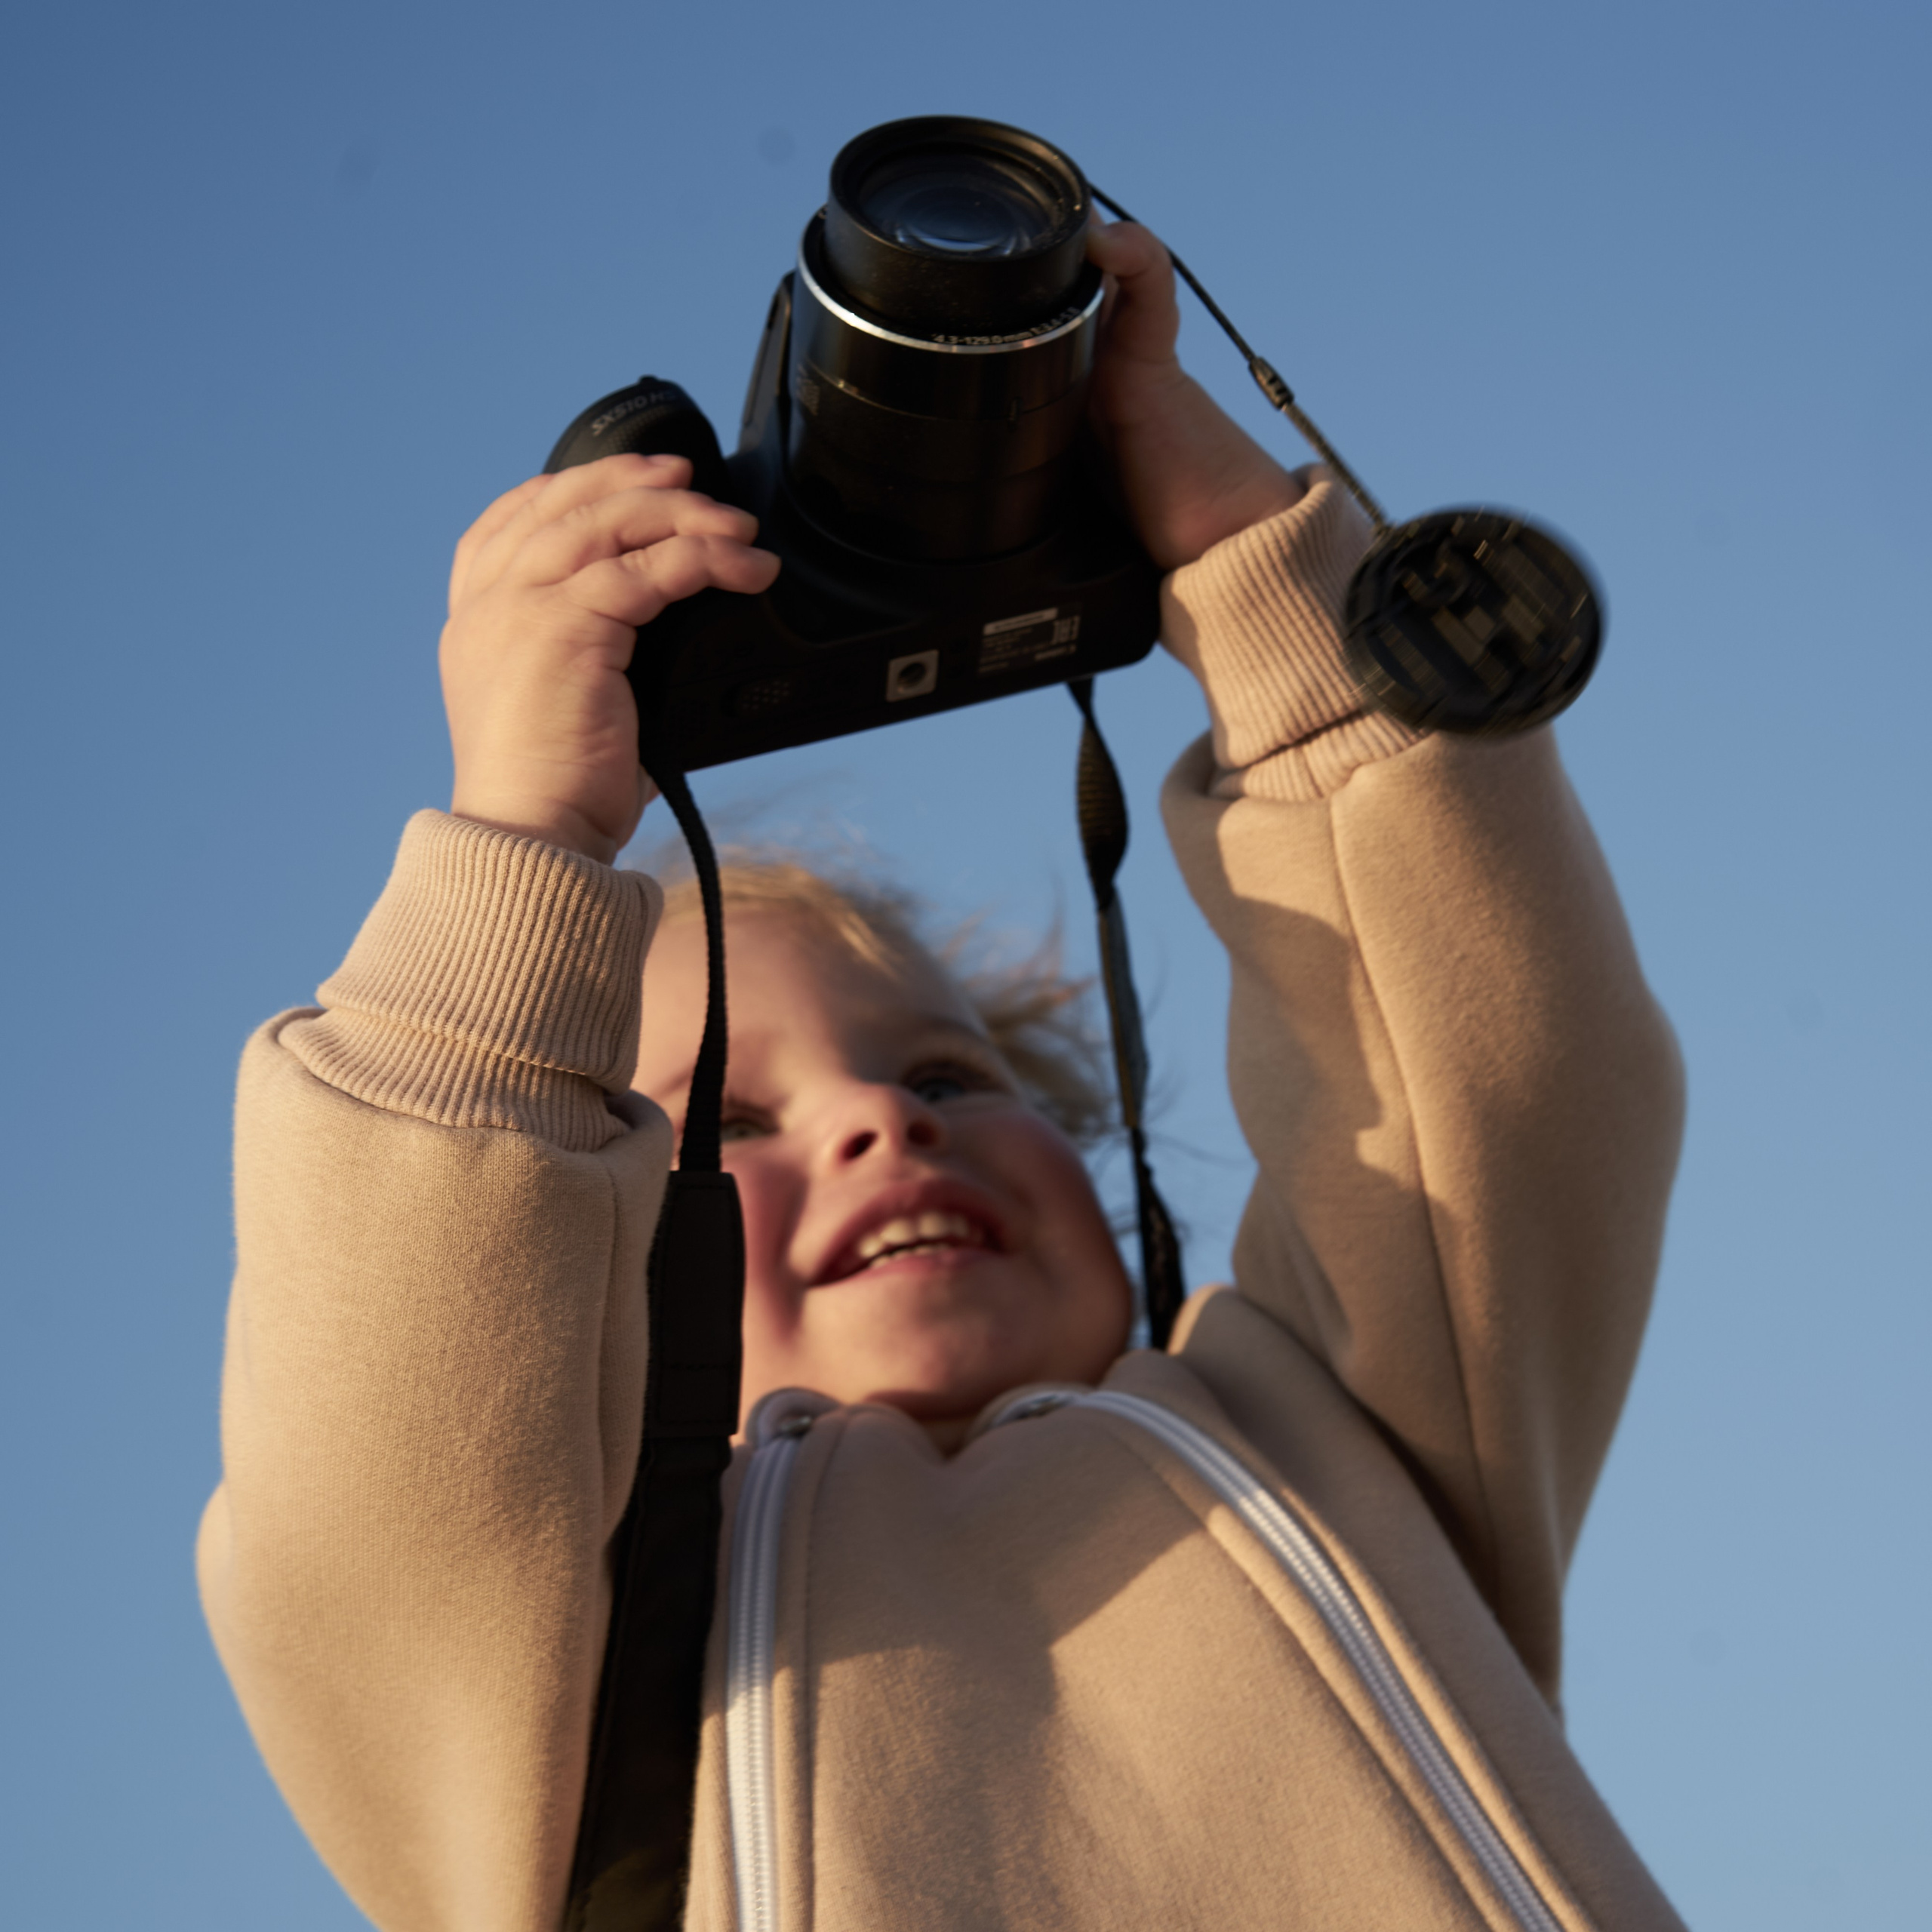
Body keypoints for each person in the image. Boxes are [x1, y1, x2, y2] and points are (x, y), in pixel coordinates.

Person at [200, 220, 1689, 1930]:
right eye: (725, 1125)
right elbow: (379, 1462)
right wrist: (522, 834)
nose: (876, 1116)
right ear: (576, 1289)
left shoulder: (1331, 1429)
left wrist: (1250, 574)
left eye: (952, 1073)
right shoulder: (558, 1646)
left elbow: (1483, 1093)